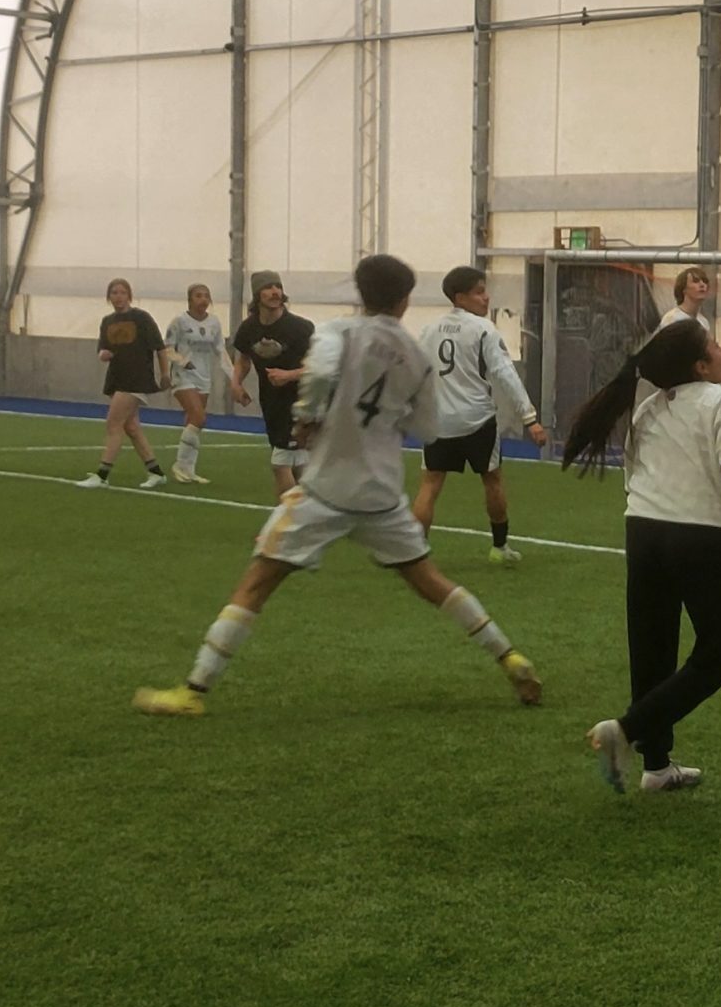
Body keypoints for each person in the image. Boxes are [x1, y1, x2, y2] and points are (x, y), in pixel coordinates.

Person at [134, 254, 541, 717]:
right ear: (405, 300)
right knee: (432, 582)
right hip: (382, 494)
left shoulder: (336, 332)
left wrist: (307, 418)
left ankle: (193, 690)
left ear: (359, 293)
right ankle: (509, 656)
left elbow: (323, 375)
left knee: (257, 583)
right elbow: (428, 428)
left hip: (326, 488)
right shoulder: (416, 357)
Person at [564, 318, 721, 793]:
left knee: (652, 650)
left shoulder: (648, 408)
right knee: (717, 655)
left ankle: (656, 768)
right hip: (699, 541)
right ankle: (625, 732)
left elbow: (649, 477)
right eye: (713, 344)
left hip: (644, 531)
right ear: (701, 364)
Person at [413, 266, 548, 563]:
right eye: (479, 292)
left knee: (430, 484)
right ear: (460, 297)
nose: (486, 298)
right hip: (476, 419)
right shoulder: (483, 329)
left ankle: (414, 554)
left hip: (439, 421)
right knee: (492, 479)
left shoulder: (429, 330)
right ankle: (500, 548)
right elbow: (504, 374)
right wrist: (530, 418)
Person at [74, 279, 168, 489]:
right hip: (117, 377)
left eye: (122, 292)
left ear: (129, 295)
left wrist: (164, 373)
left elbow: (159, 348)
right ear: (109, 297)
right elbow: (103, 349)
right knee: (131, 427)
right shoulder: (107, 321)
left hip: (136, 378)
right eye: (114, 293)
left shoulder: (141, 318)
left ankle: (102, 474)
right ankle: (156, 472)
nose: (118, 296)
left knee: (113, 423)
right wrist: (103, 354)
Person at [230, 270, 316, 497]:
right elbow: (243, 359)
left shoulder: (301, 328)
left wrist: (289, 375)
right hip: (271, 405)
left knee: (280, 463)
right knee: (299, 468)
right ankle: (308, 517)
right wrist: (236, 383)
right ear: (258, 294)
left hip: (302, 403)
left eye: (278, 287)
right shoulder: (249, 328)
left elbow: (320, 367)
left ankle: (284, 522)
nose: (275, 291)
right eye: (268, 287)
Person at [164, 283, 224, 484]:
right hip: (183, 376)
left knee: (193, 421)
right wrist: (182, 361)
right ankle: (180, 465)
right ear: (190, 300)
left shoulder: (214, 323)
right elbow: (167, 349)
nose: (203, 299)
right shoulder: (179, 322)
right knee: (199, 417)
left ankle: (188, 469)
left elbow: (221, 352)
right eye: (198, 295)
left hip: (204, 377)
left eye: (207, 296)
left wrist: (235, 380)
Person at [655, 265, 713, 334]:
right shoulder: (672, 319)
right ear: (684, 288)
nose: (702, 284)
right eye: (695, 281)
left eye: (705, 281)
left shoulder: (703, 322)